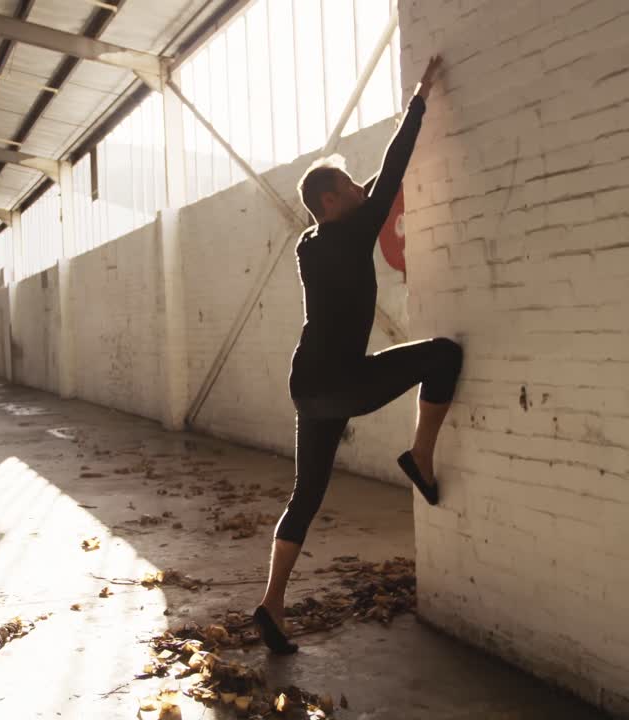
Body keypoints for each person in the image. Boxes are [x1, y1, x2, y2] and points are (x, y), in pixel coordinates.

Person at [253, 56, 462, 655]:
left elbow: (367, 190)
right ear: (331, 200)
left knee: (306, 496)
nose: (358, 187)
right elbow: (392, 170)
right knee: (443, 356)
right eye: (347, 185)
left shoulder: (311, 242)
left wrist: (355, 191)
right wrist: (419, 100)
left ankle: (271, 605)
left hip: (308, 387)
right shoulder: (348, 228)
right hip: (342, 381)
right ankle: (419, 455)